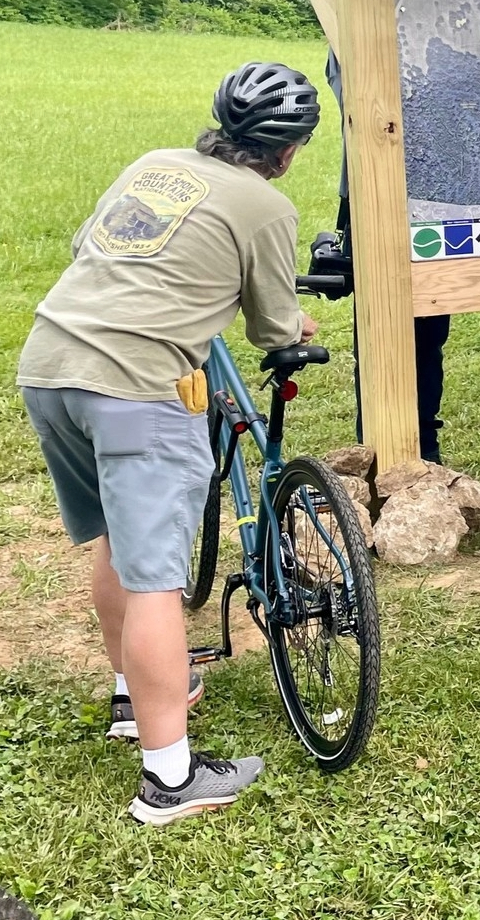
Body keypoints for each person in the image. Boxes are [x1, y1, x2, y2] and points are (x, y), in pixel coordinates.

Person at [18, 61, 320, 825]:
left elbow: (97, 248)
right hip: (135, 386)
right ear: (290, 150)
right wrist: (296, 328)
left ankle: (131, 697)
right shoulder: (266, 206)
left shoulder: (154, 165)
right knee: (156, 577)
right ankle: (170, 778)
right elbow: (274, 329)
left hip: (52, 362)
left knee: (118, 545)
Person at [320, 0, 452, 459]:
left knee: (428, 327)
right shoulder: (354, 26)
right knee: (381, 328)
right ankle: (382, 443)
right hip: (376, 193)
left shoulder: (435, 43)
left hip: (433, 190)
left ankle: (422, 446)